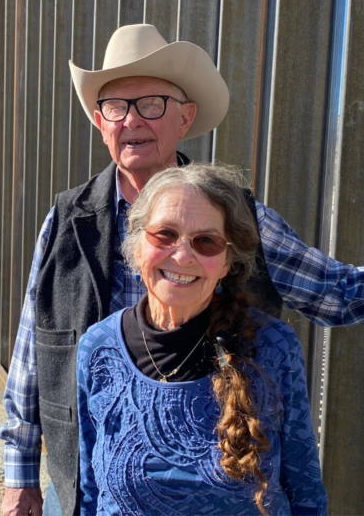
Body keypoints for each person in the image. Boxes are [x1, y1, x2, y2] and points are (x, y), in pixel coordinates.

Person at [0, 24, 364, 516]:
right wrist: (20, 473)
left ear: (185, 117)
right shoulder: (68, 220)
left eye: (151, 103)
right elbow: (34, 346)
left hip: (226, 473)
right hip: (107, 481)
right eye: (115, 105)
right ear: (100, 121)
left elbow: (337, 293)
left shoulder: (239, 216)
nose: (131, 118)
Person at [77, 163, 327, 515]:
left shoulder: (272, 347)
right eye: (164, 234)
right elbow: (91, 491)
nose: (182, 255)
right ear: (136, 245)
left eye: (206, 241)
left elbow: (305, 491)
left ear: (227, 261)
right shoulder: (98, 348)